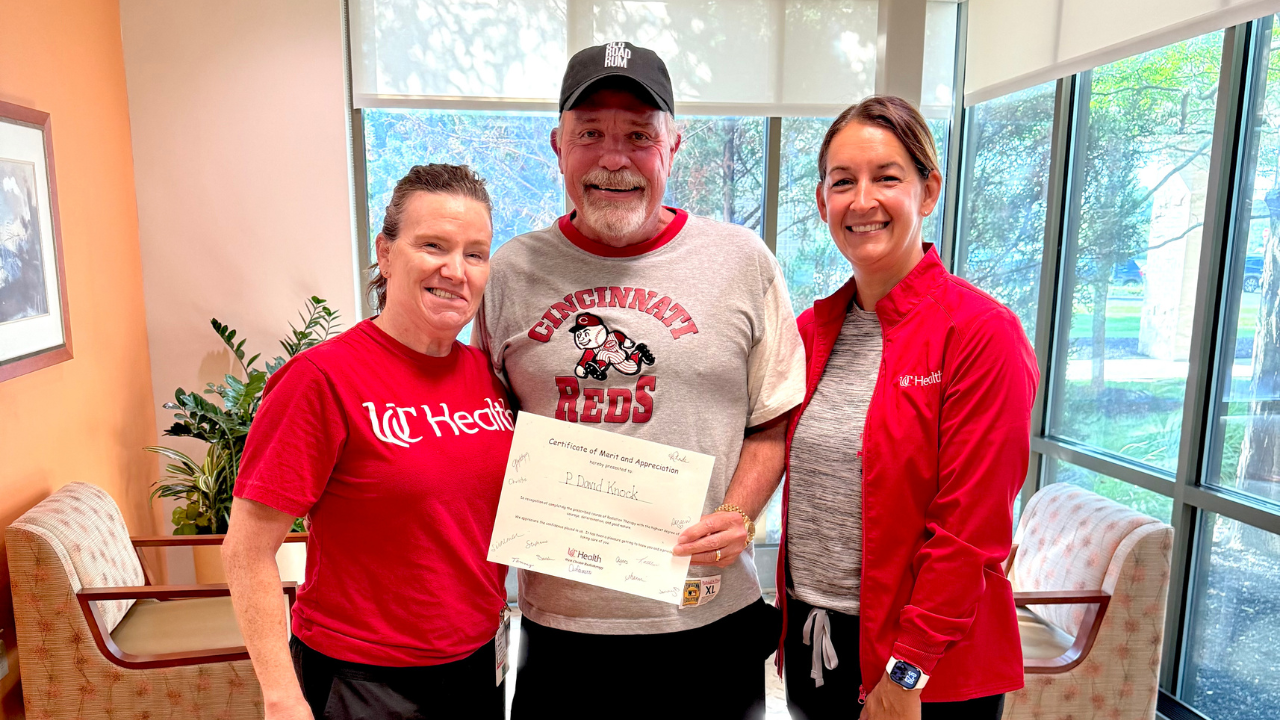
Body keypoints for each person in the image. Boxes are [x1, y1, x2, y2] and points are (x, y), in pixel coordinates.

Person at [475, 41, 807, 719]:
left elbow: (772, 419)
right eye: (590, 133)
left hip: (706, 621)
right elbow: (483, 431)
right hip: (561, 631)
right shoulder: (510, 271)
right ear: (558, 147)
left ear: (673, 148)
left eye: (638, 136)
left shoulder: (741, 261)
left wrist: (739, 514)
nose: (614, 158)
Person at [777, 96, 1038, 720]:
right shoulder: (810, 331)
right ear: (822, 203)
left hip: (923, 670)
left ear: (927, 192)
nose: (862, 201)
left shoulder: (980, 332)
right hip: (817, 641)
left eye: (886, 178)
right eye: (843, 182)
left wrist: (906, 671)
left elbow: (970, 531)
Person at [223, 164, 515, 720]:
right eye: (433, 245)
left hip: (477, 663)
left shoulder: (487, 375)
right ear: (385, 253)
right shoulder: (321, 379)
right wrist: (282, 696)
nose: (456, 270)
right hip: (364, 679)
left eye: (475, 254)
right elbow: (247, 551)